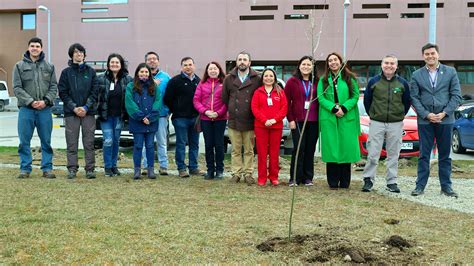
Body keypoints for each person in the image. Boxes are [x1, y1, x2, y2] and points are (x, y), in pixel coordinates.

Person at [409, 43, 462, 198]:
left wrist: (444, 113)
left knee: (445, 155)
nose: (430, 56)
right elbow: (414, 97)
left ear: (438, 54)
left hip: (445, 120)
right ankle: (420, 186)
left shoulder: (450, 72)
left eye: (433, 53)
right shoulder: (416, 74)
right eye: (427, 54)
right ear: (423, 56)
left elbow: (456, 95)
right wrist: (426, 114)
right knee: (424, 155)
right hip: (425, 121)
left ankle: (446, 187)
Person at [361, 55, 411, 193]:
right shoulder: (373, 82)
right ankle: (368, 180)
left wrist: (399, 115)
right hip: (377, 122)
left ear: (396, 66)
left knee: (393, 154)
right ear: (382, 65)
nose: (389, 66)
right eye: (387, 63)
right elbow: (367, 101)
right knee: (373, 153)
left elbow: (407, 102)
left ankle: (392, 182)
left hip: (396, 123)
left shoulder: (403, 83)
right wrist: (374, 115)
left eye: (392, 63)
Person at [12, 37, 58, 179]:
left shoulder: (49, 67)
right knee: (24, 141)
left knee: (46, 141)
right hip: (26, 109)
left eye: (37, 46)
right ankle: (25, 169)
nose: (35, 48)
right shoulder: (19, 66)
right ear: (28, 47)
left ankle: (47, 169)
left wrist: (45, 101)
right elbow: (17, 88)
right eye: (32, 46)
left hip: (44, 109)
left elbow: (53, 87)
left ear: (41, 48)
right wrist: (31, 101)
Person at [317, 52, 360, 189]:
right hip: (330, 117)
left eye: (335, 60)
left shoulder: (349, 78)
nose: (333, 62)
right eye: (330, 60)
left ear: (340, 62)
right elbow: (320, 97)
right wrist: (333, 108)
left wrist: (344, 108)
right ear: (327, 64)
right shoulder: (323, 80)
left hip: (346, 117)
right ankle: (333, 181)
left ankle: (345, 181)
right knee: (332, 148)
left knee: (345, 148)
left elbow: (355, 96)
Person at [58, 43, 99, 179]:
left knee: (89, 142)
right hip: (71, 113)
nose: (78, 54)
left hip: (88, 113)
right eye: (76, 52)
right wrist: (74, 107)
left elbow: (95, 92)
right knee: (71, 142)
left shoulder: (91, 72)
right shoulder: (66, 73)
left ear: (84, 55)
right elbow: (63, 92)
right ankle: (72, 169)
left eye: (81, 52)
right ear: (71, 55)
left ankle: (90, 169)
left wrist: (86, 107)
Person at [222, 51, 261, 184]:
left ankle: (248, 173)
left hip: (250, 119)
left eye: (245, 59)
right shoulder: (229, 78)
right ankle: (236, 173)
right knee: (235, 149)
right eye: (240, 59)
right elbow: (225, 98)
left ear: (250, 62)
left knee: (249, 149)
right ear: (236, 62)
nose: (242, 62)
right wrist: (233, 110)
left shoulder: (257, 78)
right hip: (234, 120)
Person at [164, 57, 204, 178]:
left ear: (194, 66)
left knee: (194, 144)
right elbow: (167, 99)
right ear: (181, 67)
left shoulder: (199, 81)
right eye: (185, 65)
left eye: (190, 64)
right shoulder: (175, 81)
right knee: (181, 143)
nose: (188, 67)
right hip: (180, 118)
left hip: (195, 118)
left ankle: (193, 167)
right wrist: (176, 109)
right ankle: (181, 168)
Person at [284, 55, 319, 187]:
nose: (306, 67)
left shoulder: (317, 82)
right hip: (298, 121)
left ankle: (308, 178)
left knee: (310, 149)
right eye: (303, 64)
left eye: (309, 65)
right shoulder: (292, 81)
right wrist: (290, 119)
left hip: (314, 121)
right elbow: (286, 101)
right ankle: (294, 178)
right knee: (299, 149)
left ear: (312, 67)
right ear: (299, 66)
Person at [97, 53, 132, 177]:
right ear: (108, 64)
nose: (114, 64)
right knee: (108, 140)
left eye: (117, 62)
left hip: (119, 116)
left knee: (116, 141)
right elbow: (96, 96)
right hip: (105, 116)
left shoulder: (128, 79)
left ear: (121, 64)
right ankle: (107, 167)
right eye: (112, 62)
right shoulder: (101, 78)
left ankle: (114, 166)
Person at [251, 69, 288, 186]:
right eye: (266, 76)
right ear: (262, 78)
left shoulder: (280, 92)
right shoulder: (258, 92)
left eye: (271, 76)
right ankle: (262, 178)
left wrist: (274, 120)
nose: (268, 78)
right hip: (261, 126)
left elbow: (284, 108)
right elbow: (254, 108)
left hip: (276, 126)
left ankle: (273, 177)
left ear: (274, 78)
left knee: (274, 153)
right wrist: (264, 120)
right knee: (262, 153)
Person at [125, 63, 161, 180]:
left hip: (151, 122)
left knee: (150, 145)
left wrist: (150, 117)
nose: (144, 74)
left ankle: (150, 170)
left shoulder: (154, 87)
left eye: (146, 72)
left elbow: (158, 102)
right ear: (137, 73)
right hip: (137, 122)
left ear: (149, 74)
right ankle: (137, 170)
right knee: (138, 146)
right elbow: (129, 103)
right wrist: (141, 117)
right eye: (141, 72)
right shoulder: (131, 86)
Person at [193, 61, 228, 180]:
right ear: (207, 71)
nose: (213, 70)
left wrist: (218, 113)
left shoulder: (224, 83)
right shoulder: (202, 84)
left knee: (219, 145)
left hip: (220, 119)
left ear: (219, 70)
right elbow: (196, 101)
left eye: (215, 68)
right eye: (210, 69)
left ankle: (219, 170)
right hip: (205, 119)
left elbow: (227, 101)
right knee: (208, 145)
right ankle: (210, 170)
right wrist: (205, 111)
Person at [141, 52, 171, 176]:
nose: (152, 61)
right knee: (146, 142)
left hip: (161, 115)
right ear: (146, 61)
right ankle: (145, 166)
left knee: (162, 142)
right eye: (149, 59)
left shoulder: (165, 77)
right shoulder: (142, 75)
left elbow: (170, 95)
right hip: (145, 116)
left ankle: (163, 166)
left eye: (154, 59)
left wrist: (169, 111)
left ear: (158, 61)